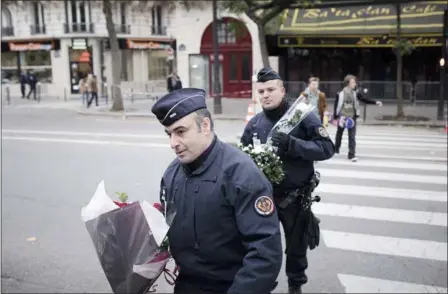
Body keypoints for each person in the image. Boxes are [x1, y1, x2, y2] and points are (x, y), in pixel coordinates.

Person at [151, 88, 283, 294]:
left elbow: (265, 254)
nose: (173, 143)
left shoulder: (242, 175)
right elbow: (166, 229)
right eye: (169, 134)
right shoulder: (172, 174)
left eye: (180, 132)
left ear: (204, 126)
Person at [240, 68, 335, 294]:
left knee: (295, 249)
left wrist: (294, 144)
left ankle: (295, 286)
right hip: (263, 199)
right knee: (261, 248)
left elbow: (327, 148)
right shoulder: (254, 124)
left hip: (294, 199)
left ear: (282, 91)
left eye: (271, 89)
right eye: (261, 91)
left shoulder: (302, 117)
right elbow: (241, 159)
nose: (266, 95)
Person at [333, 74, 383, 162]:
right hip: (342, 117)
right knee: (339, 134)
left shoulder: (356, 93)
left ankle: (351, 155)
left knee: (352, 136)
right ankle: (336, 148)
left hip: (352, 117)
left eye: (355, 82)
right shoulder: (340, 93)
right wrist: (335, 117)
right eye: (353, 82)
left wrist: (375, 102)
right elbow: (336, 106)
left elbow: (364, 99)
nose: (355, 84)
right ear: (348, 83)